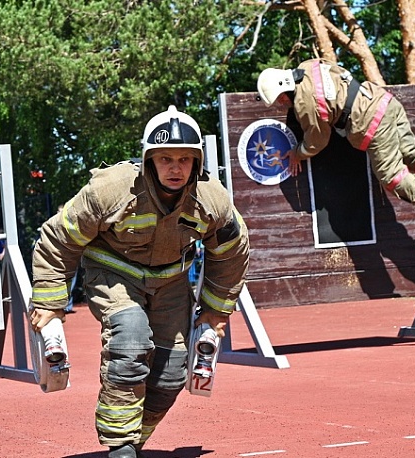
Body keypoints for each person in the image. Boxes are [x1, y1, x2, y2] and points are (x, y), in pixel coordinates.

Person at [28, 105, 250, 458]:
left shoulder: (212, 201)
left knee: (172, 374)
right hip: (114, 272)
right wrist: (49, 303)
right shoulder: (111, 190)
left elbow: (231, 251)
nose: (175, 168)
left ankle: (134, 438)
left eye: (184, 159)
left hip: (171, 280)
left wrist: (215, 310)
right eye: (165, 159)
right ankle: (121, 446)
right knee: (130, 340)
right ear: (149, 160)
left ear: (197, 163)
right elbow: (59, 239)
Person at [257, 59, 415, 242]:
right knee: (410, 154)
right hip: (384, 102)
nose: (281, 104)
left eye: (279, 100)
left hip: (371, 123)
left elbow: (318, 140)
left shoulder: (305, 104)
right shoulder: (307, 66)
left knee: (391, 176)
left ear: (284, 92)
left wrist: (297, 153)